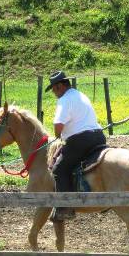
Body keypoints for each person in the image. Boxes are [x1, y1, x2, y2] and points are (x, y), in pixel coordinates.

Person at [45, 71, 106, 222]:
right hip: (98, 136)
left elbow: (58, 125)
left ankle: (65, 208)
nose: (53, 92)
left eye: (53, 89)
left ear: (59, 86)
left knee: (59, 169)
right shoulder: (80, 95)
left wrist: (58, 135)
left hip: (80, 140)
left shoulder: (65, 100)